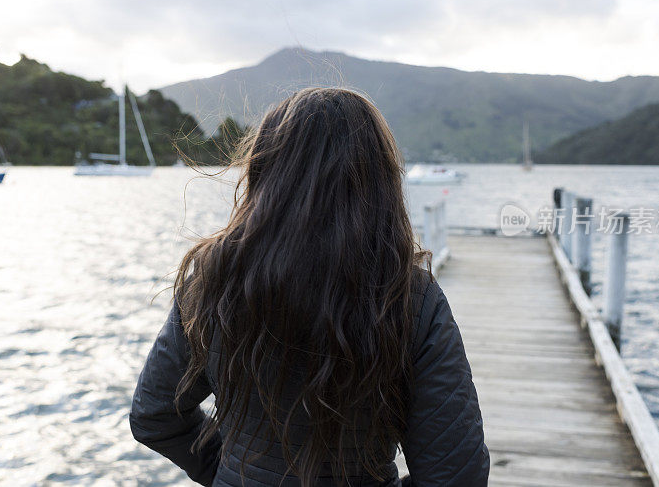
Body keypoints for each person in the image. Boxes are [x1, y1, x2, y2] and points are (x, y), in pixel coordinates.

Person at [129, 88, 490, 486]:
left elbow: (155, 414)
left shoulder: (215, 281)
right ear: (381, 180)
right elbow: (457, 474)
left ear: (265, 172)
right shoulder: (411, 298)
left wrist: (228, 473)